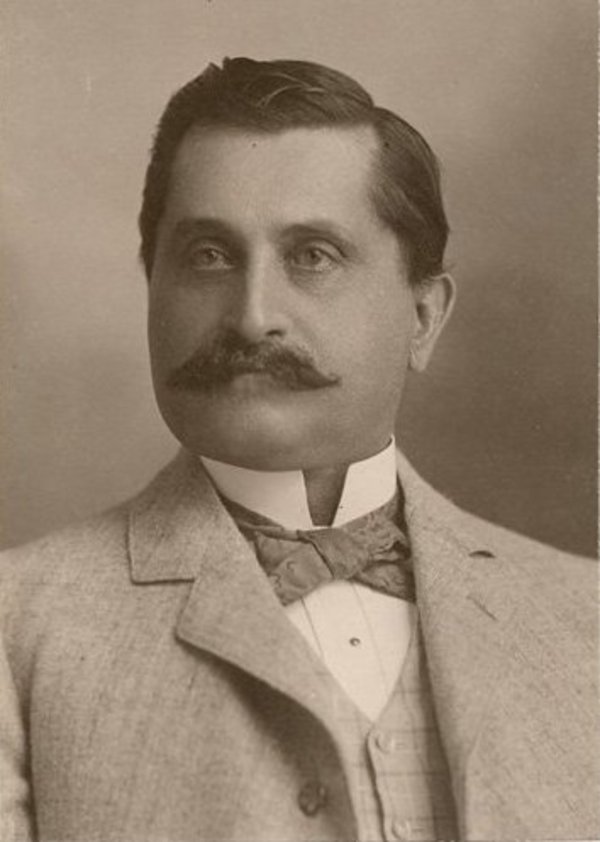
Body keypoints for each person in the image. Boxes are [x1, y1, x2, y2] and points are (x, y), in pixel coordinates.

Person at [0, 57, 596, 842]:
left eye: (312, 255)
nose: (252, 317)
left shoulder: (583, 620)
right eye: (209, 255)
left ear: (423, 318)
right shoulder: (17, 626)